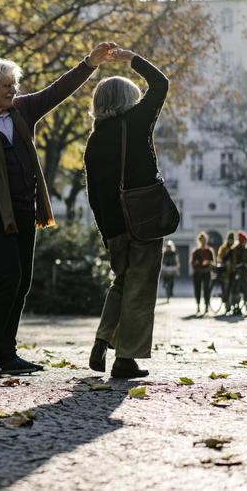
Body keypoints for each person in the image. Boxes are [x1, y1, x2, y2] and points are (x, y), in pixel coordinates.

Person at [0, 42, 119, 376]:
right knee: (7, 277)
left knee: (21, 282)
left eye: (14, 84)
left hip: (24, 209)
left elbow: (58, 90)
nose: (14, 90)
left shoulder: (22, 110)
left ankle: (7, 353)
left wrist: (89, 63)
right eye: (7, 85)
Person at [84, 48, 169, 379]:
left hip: (114, 227)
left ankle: (103, 338)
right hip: (144, 220)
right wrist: (133, 59)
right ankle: (125, 359)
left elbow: (93, 195)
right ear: (128, 101)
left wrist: (107, 234)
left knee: (122, 281)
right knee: (141, 288)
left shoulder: (94, 141)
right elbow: (160, 84)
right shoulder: (136, 123)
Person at [229, 231, 247, 314]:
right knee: (236, 289)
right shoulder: (234, 250)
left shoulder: (246, 250)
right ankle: (235, 306)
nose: (245, 243)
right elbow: (229, 259)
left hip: (245, 273)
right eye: (244, 241)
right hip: (236, 272)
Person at [190, 232, 215, 314]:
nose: (203, 242)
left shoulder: (209, 251)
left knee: (206, 290)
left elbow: (213, 263)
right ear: (199, 241)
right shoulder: (196, 251)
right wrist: (196, 263)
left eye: (204, 240)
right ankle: (198, 306)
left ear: (206, 241)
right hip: (197, 273)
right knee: (197, 289)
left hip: (206, 272)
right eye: (202, 240)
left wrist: (208, 262)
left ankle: (206, 306)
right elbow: (192, 262)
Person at [216, 231, 236, 308]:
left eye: (232, 240)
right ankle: (227, 304)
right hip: (225, 272)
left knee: (233, 287)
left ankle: (233, 302)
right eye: (230, 239)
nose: (231, 241)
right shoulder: (224, 248)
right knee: (226, 287)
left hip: (233, 270)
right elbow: (220, 258)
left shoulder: (235, 248)